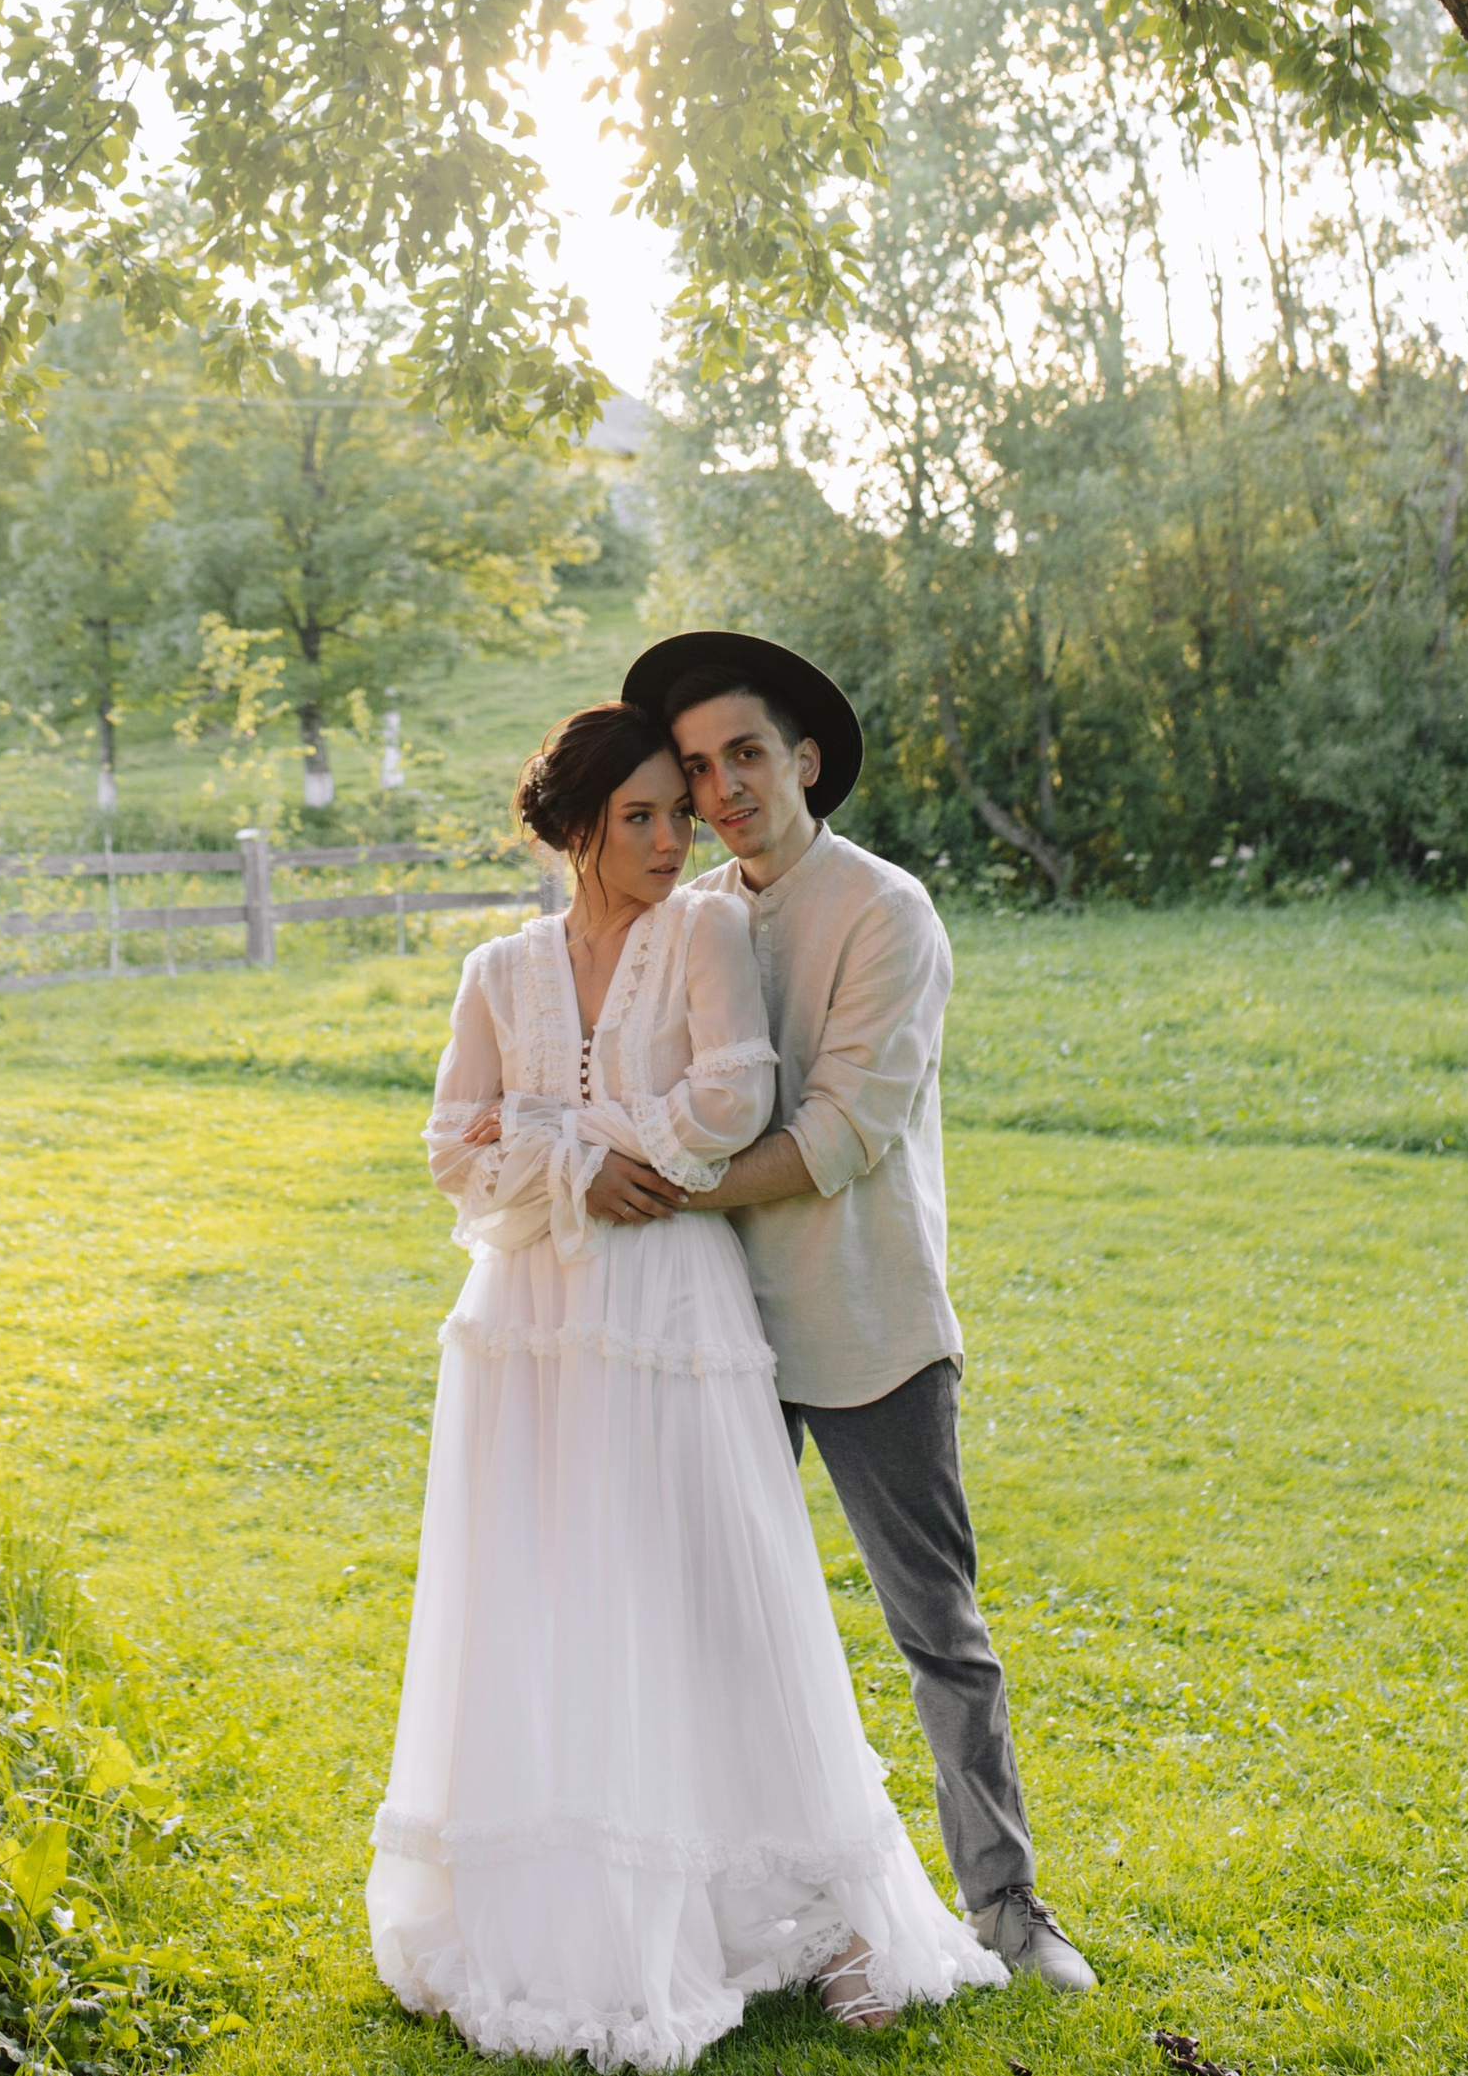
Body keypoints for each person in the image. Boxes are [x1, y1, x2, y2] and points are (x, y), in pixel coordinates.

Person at [367, 702, 1008, 2069]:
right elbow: (445, 1141)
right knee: (560, 1594)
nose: (678, 832)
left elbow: (732, 1094)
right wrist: (570, 1169)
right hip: (527, 1324)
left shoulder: (712, 931)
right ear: (579, 826)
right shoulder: (499, 966)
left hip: (671, 1305)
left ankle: (853, 1914)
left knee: (720, 1589)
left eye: (688, 804)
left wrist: (568, 1160)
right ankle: (572, 1897)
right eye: (646, 813)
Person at [621, 628, 1098, 2000]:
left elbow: (841, 1132)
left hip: (868, 1324)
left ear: (805, 758)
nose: (720, 787)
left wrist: (664, 1189)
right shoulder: (691, 914)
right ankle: (760, 1920)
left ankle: (1006, 1908)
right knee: (720, 1626)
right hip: (715, 1331)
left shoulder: (888, 911)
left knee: (936, 1628)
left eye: (746, 754)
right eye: (698, 765)